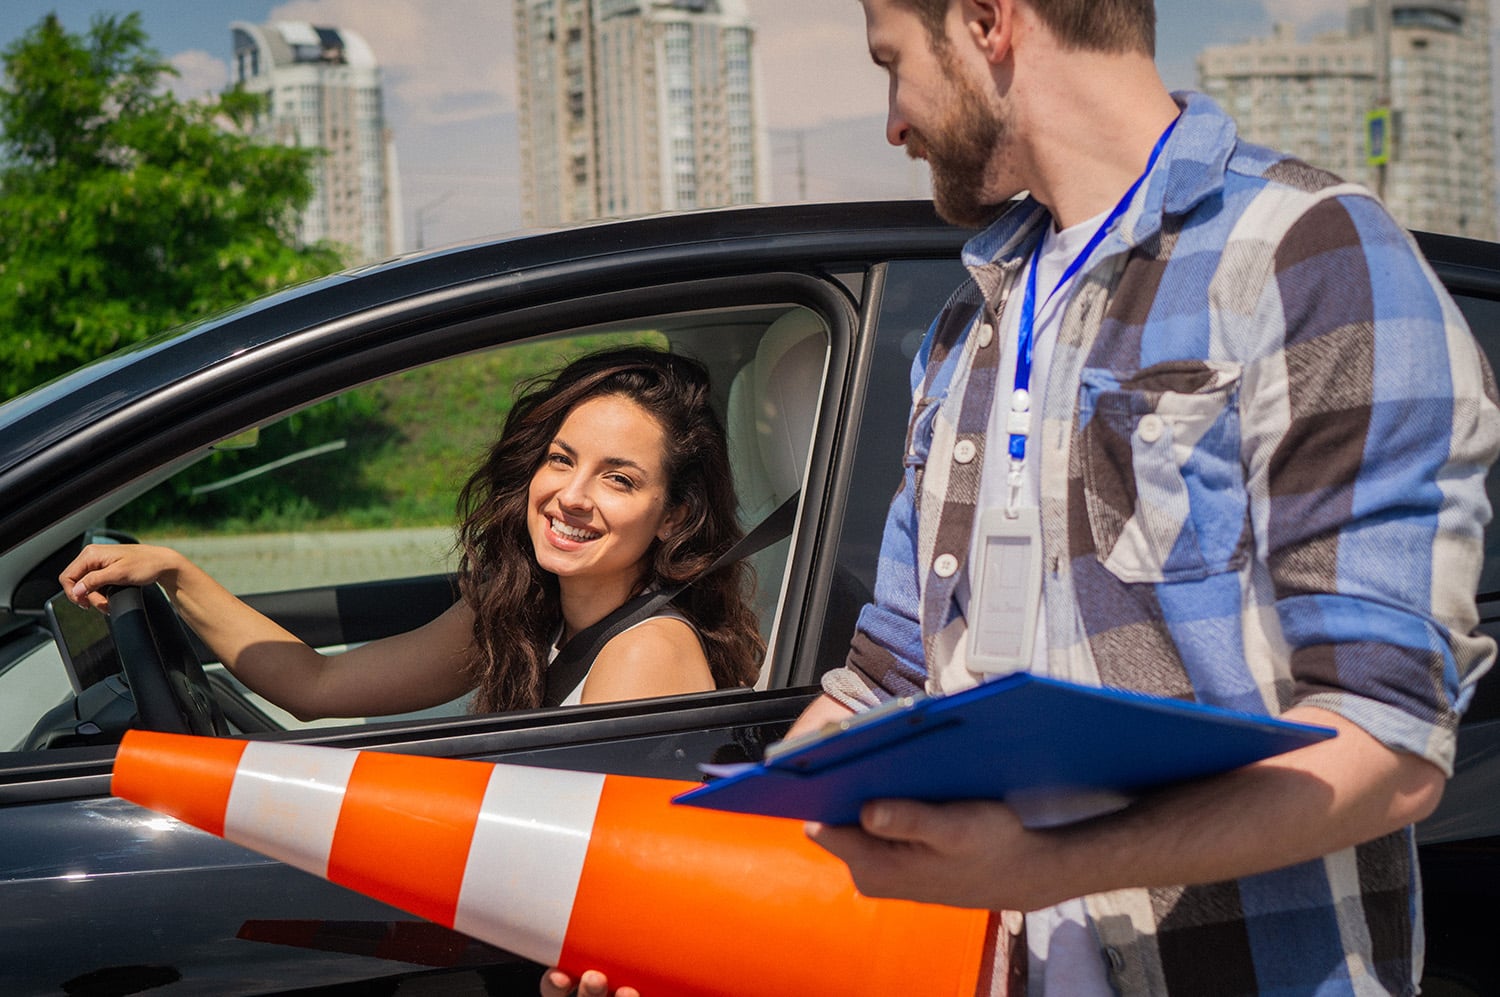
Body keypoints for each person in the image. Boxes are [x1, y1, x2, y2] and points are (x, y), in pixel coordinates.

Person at [547, 0, 1499, 994]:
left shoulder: (1313, 259)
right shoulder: (968, 330)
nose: (892, 123)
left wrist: (1043, 871)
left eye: (892, 63)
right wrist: (688, 909)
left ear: (989, 22)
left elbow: (1389, 743)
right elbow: (884, 677)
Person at [60, 347, 764, 721]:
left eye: (619, 479)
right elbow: (317, 683)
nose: (570, 497)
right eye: (561, 459)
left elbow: (605, 872)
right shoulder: (526, 611)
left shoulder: (646, 653)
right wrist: (175, 573)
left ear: (674, 514)